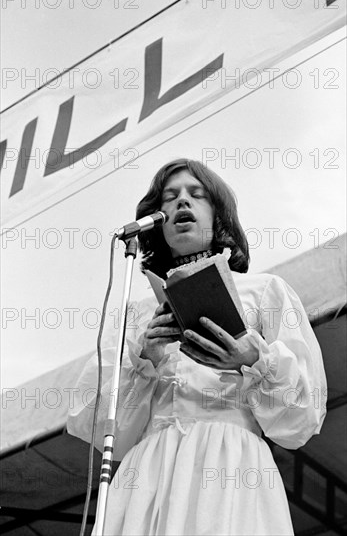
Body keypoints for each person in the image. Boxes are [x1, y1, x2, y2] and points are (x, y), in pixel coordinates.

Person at [68, 159, 327, 536]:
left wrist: (254, 360)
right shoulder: (137, 312)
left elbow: (300, 421)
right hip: (148, 474)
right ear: (157, 220)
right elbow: (102, 428)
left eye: (196, 194)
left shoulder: (265, 291)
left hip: (230, 465)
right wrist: (144, 361)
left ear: (217, 212)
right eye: (169, 199)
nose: (181, 204)